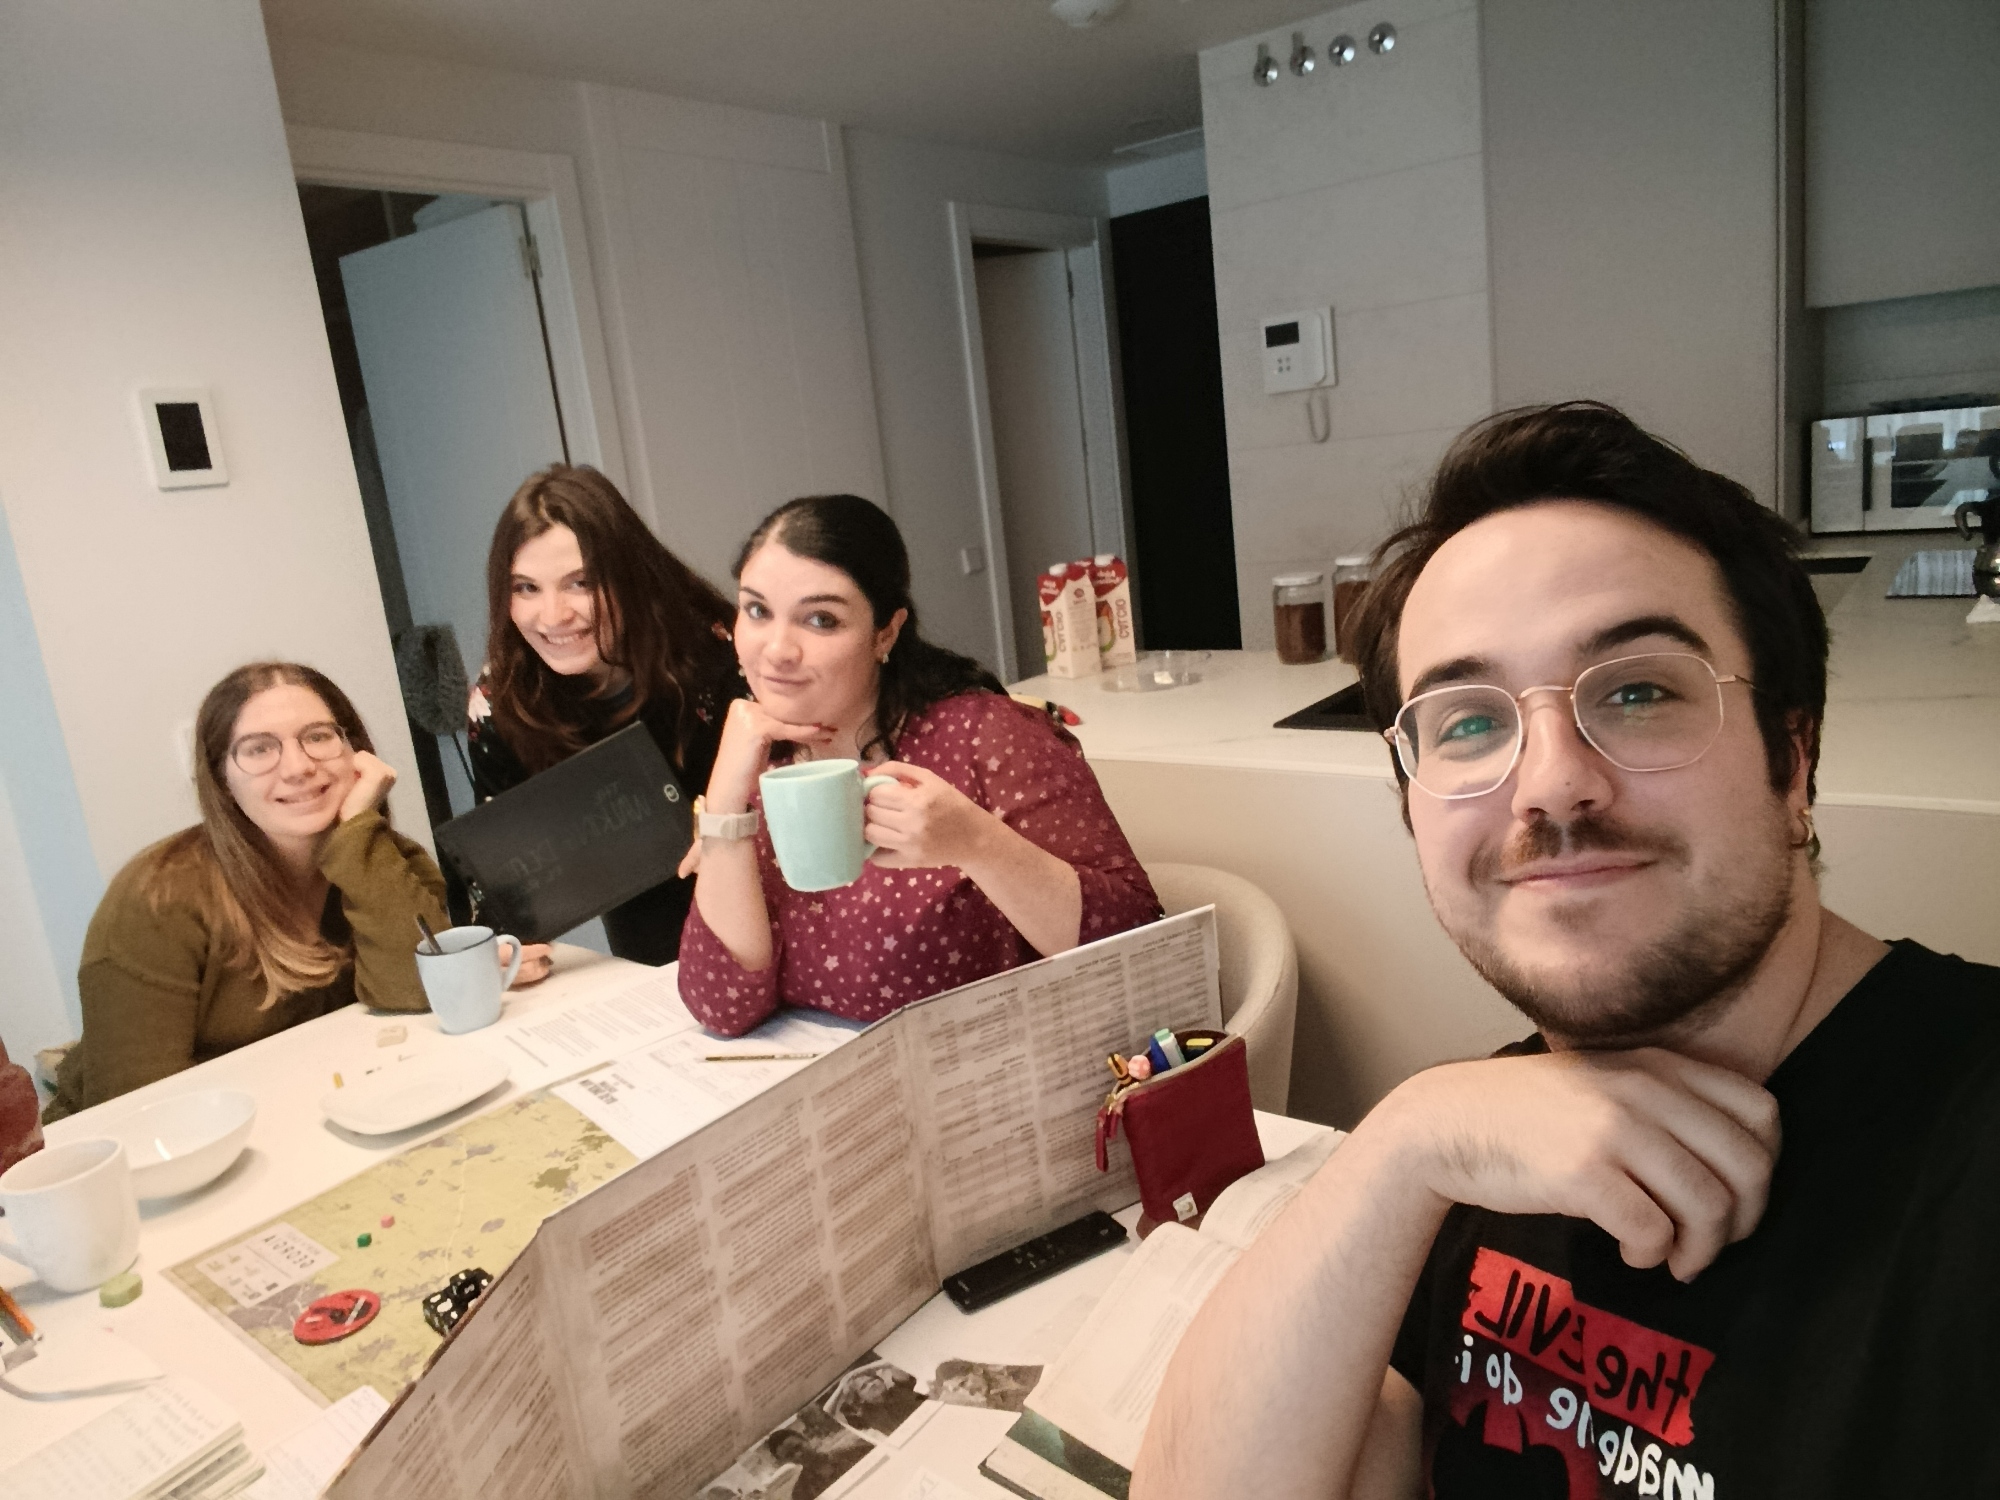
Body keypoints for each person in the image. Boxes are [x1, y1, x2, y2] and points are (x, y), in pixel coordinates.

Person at [1134, 403, 2000, 1499]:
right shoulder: (1478, 1152)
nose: (1549, 783)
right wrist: (1402, 1143)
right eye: (1467, 721)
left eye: (1636, 692)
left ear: (1793, 758)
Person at [678, 494, 1159, 1034]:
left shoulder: (985, 735)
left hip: (994, 1064)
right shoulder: (760, 763)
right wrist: (725, 800)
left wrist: (977, 843)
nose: (776, 650)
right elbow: (720, 1005)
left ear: (886, 632)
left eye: (821, 619)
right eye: (757, 611)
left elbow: (1140, 946)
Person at [46, 664, 456, 1118]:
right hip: (186, 1136)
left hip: (330, 1110)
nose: (299, 767)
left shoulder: (389, 859)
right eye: (259, 749)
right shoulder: (157, 898)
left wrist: (359, 833)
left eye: (318, 737)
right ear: (222, 779)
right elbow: (138, 1113)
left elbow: (422, 997)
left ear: (355, 753)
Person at [467, 464, 741, 964]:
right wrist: (502, 948)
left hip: (775, 921)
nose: (553, 616)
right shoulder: (503, 701)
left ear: (630, 576)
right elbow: (504, 885)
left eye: (581, 583)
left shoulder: (719, 656)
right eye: (525, 588)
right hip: (647, 957)